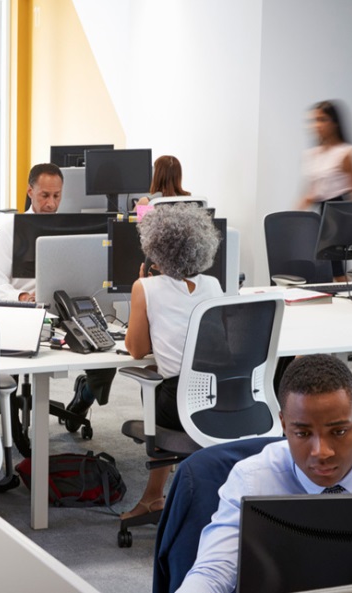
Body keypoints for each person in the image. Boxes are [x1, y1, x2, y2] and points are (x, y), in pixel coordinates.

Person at [176, 354, 352, 593]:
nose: (321, 452)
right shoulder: (252, 479)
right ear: (283, 425)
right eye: (302, 433)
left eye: (338, 432)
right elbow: (213, 571)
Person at [0, 162, 116, 425]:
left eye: (57, 196)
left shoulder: (68, 228)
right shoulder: (11, 228)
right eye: (45, 195)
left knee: (107, 356)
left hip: (64, 310)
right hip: (25, 314)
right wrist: (22, 298)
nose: (51, 203)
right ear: (30, 192)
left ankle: (84, 397)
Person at [122, 203, 224, 522]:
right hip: (218, 398)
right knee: (162, 376)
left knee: (153, 378)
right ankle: (155, 495)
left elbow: (136, 349)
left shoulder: (146, 287)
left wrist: (139, 294)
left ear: (155, 248)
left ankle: (154, 495)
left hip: (179, 404)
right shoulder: (214, 286)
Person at [296, 100, 352, 281]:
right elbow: (310, 192)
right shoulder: (312, 154)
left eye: (322, 119)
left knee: (337, 274)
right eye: (313, 120)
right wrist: (293, 218)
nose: (316, 125)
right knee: (312, 268)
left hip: (338, 217)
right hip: (318, 216)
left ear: (335, 123)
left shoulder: (346, 152)